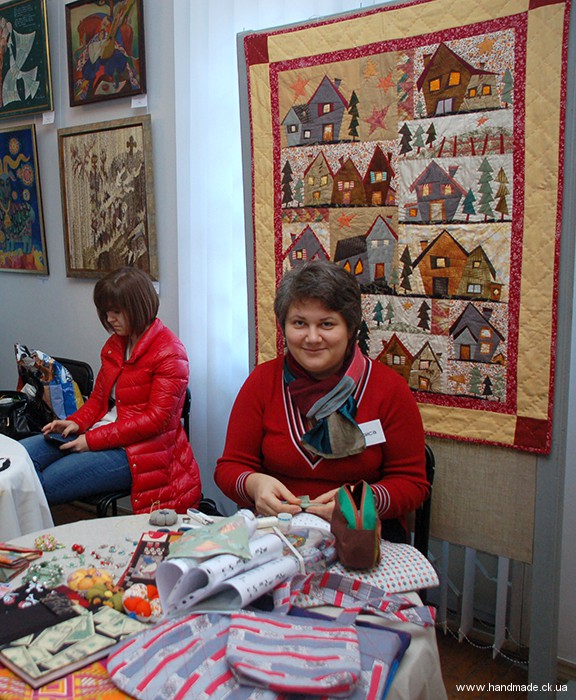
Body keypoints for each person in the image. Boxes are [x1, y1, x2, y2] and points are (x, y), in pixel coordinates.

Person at [214, 260, 429, 542]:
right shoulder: (262, 382)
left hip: (359, 537)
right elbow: (229, 468)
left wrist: (359, 501)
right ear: (284, 327)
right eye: (299, 323)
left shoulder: (389, 389)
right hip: (276, 535)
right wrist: (253, 484)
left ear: (350, 328)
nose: (312, 338)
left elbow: (413, 484)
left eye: (327, 324)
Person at [21, 267, 202, 514]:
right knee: (18, 460)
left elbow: (155, 421)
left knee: (39, 486)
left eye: (116, 312)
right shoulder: (116, 344)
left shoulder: (170, 352)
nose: (109, 319)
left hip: (139, 451)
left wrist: (90, 440)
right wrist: (75, 422)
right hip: (100, 433)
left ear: (139, 307)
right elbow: (99, 399)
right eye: (106, 312)